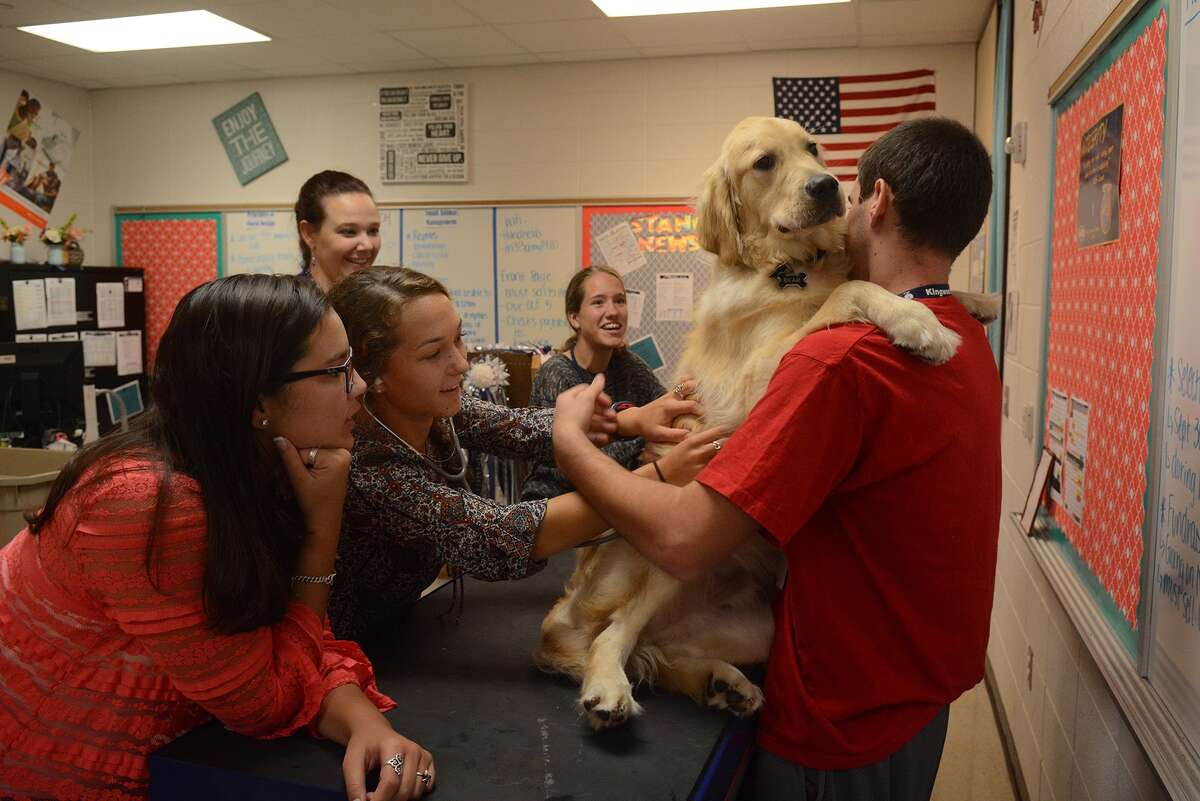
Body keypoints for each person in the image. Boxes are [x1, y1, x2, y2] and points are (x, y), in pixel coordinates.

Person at [549, 117, 1001, 801]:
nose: (814, 178)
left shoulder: (845, 354)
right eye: (769, 163)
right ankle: (653, 659)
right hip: (915, 689)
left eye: (816, 158)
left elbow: (684, 536)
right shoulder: (955, 335)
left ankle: (641, 654)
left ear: (874, 202)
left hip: (839, 716)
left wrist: (572, 446)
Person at [0, 275, 434, 801]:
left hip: (168, 760)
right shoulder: (147, 502)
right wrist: (322, 528)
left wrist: (367, 725)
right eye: (337, 371)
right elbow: (263, 699)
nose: (360, 386)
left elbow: (282, 645)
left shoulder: (255, 459)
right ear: (256, 402)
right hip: (51, 769)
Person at [324, 266, 720, 643]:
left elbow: (521, 428)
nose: (462, 364)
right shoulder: (372, 469)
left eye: (458, 340)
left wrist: (631, 420)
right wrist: (658, 479)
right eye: (433, 354)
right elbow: (505, 534)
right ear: (369, 372)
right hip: (363, 650)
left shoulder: (433, 409)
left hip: (407, 624)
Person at [521, 265, 666, 501]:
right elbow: (576, 463)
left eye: (619, 301)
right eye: (598, 302)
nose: (613, 312)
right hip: (560, 502)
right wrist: (641, 440)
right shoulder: (557, 373)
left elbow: (662, 408)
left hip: (615, 499)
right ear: (574, 318)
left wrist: (683, 393)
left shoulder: (629, 364)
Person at [295, 170, 381, 292]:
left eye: (373, 230)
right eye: (349, 231)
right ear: (309, 234)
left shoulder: (382, 306)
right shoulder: (287, 308)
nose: (367, 245)